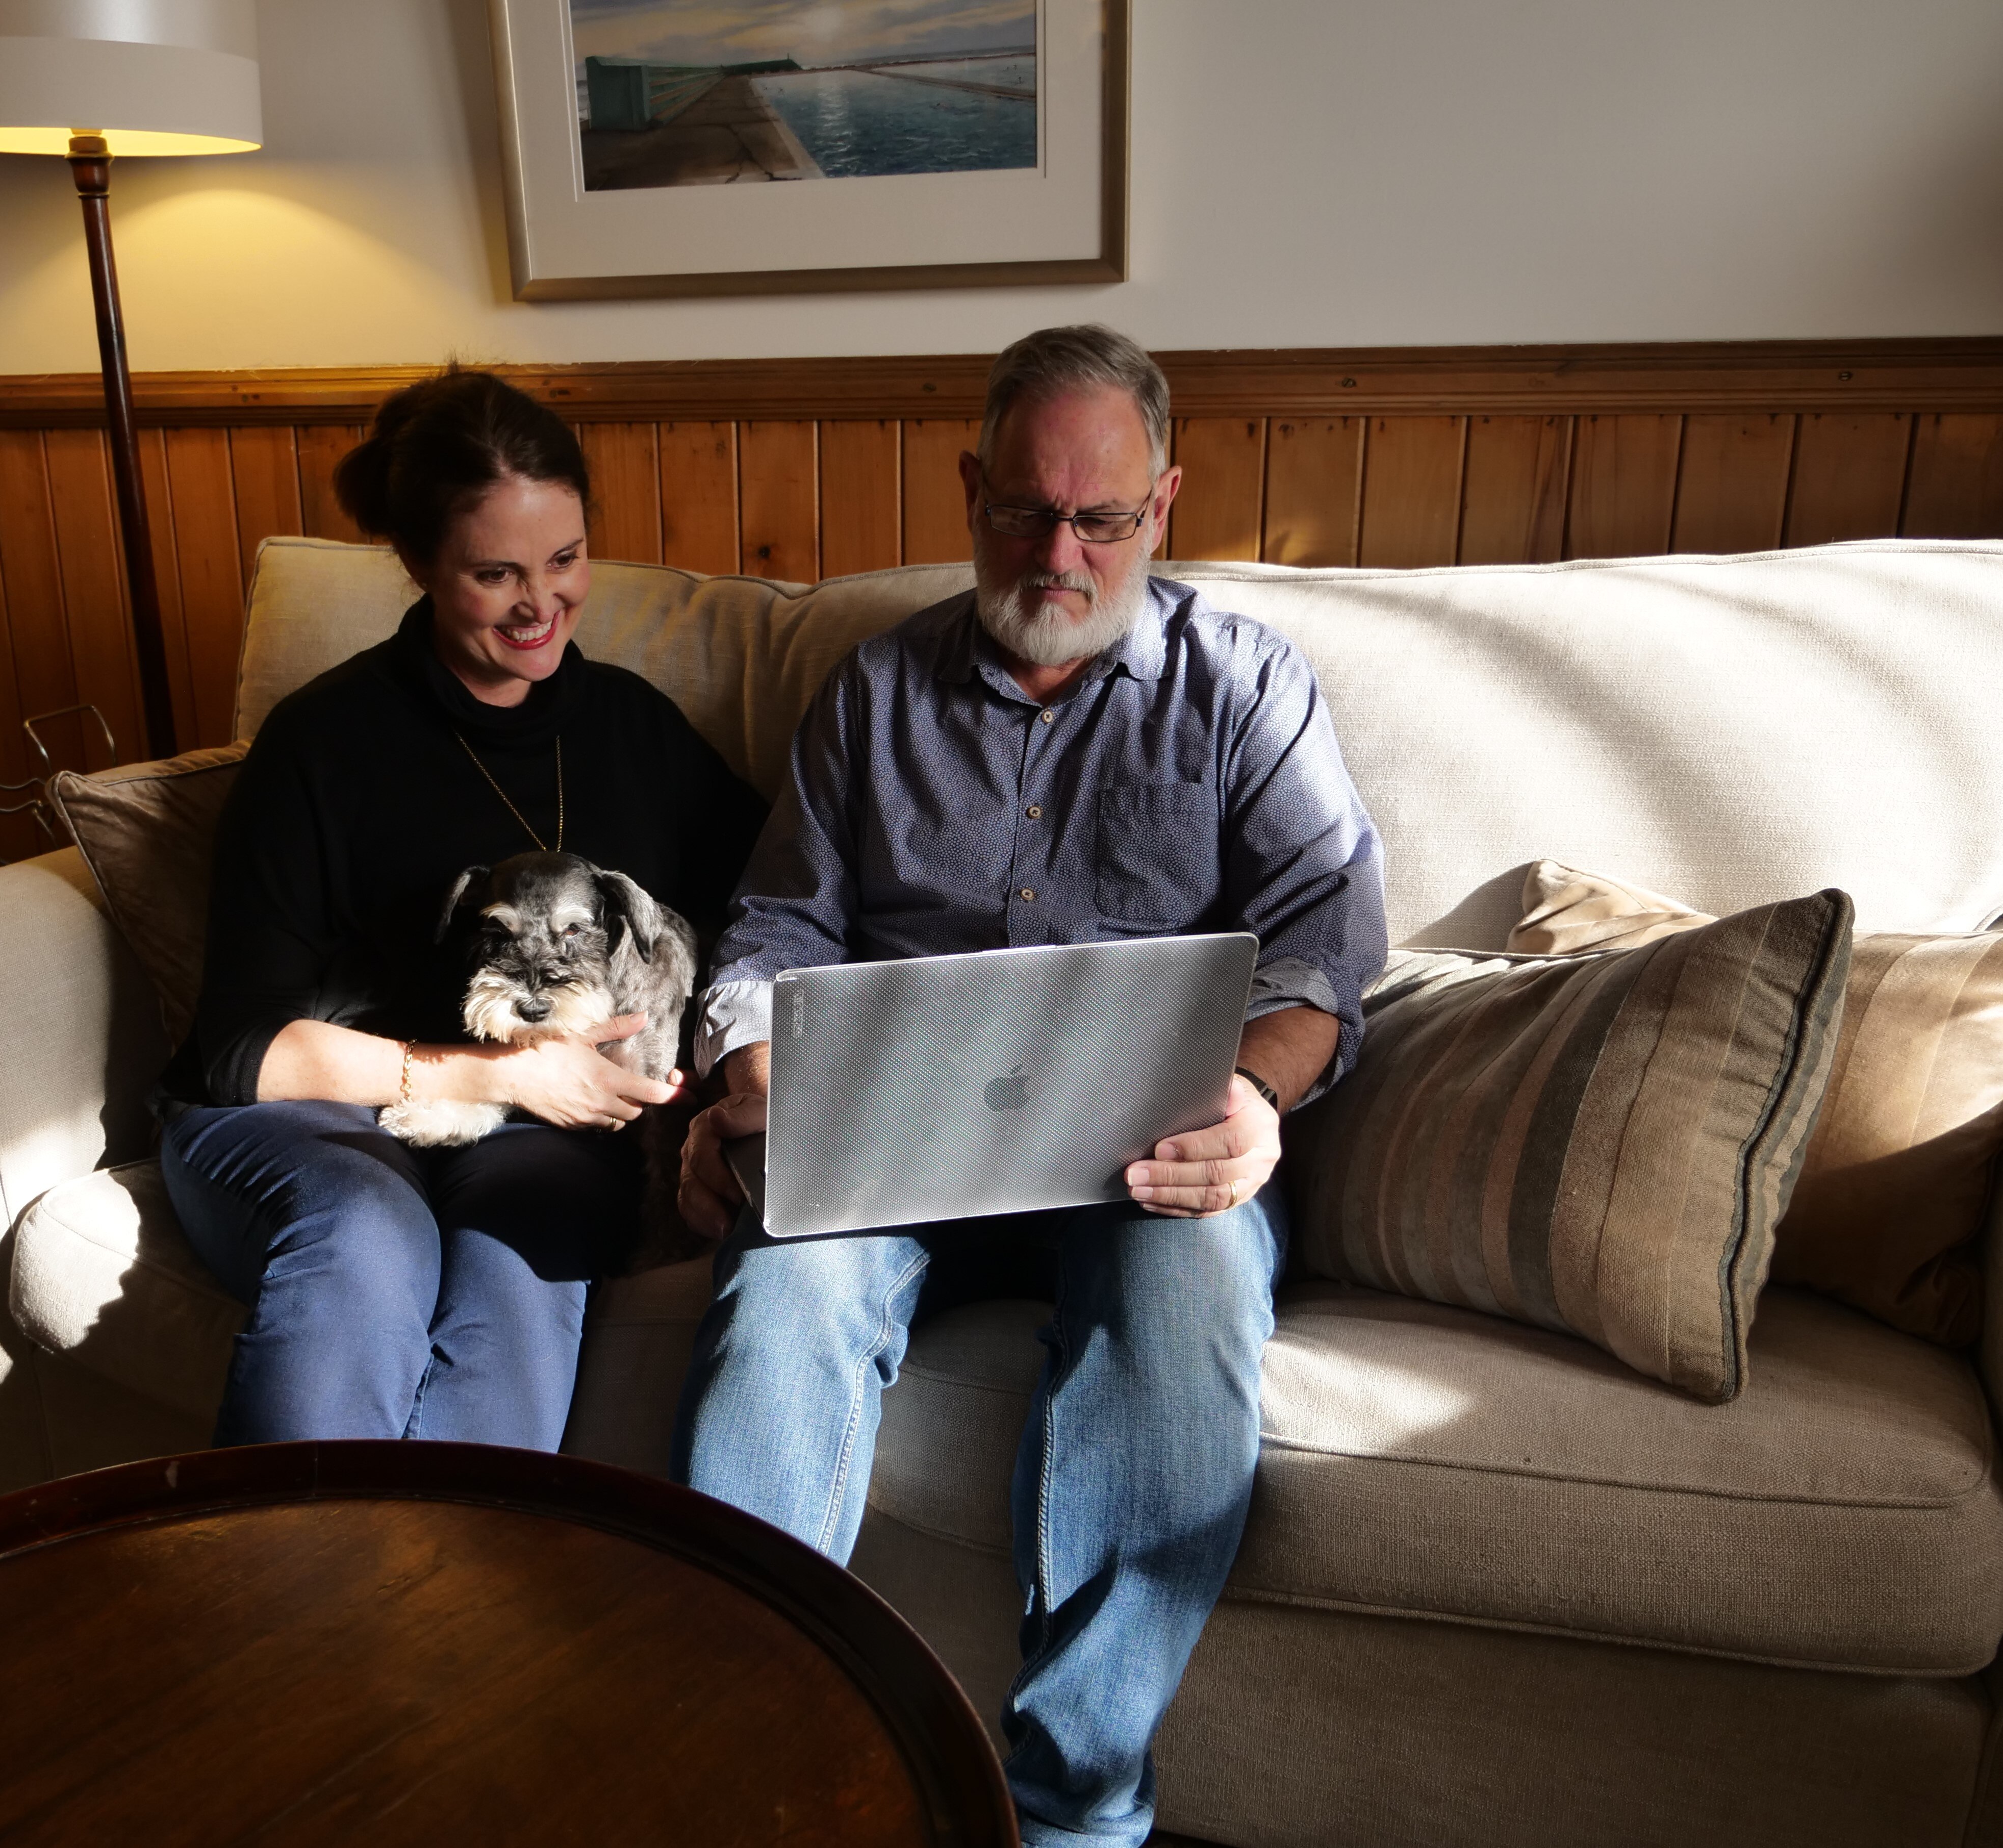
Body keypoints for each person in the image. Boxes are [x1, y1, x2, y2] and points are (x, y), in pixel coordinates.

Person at [670, 325, 1386, 1846]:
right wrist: (757, 1077)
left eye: (1101, 518)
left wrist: (1253, 1101)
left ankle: (1071, 1811)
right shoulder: (873, 696)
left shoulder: (1245, 687)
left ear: (1164, 504)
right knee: (779, 1305)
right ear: (968, 487)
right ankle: (751, 1770)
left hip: (1146, 1158)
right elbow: (777, 924)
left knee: (1185, 1295)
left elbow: (1325, 949)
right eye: (1021, 510)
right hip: (896, 1142)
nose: (1058, 551)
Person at [158, 367, 767, 1452]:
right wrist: (497, 1073)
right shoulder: (322, 743)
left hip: (543, 1133)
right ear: (420, 566)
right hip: (310, 1112)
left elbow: (778, 910)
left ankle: (455, 1608)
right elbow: (239, 1049)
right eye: (496, 574)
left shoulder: (635, 732)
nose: (542, 605)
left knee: (531, 1232)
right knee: (364, 1235)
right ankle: (280, 1592)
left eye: (566, 561)